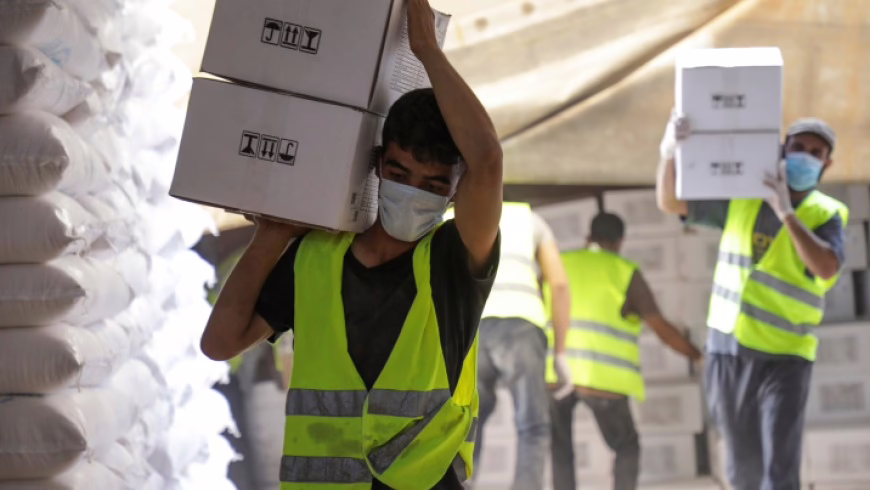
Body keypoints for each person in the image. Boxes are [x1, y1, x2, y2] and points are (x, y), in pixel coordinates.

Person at [199, 0, 504, 487]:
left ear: (454, 191)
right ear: (378, 165)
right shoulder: (316, 259)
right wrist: (273, 235)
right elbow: (219, 343)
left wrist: (426, 51)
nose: (412, 192)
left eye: (432, 185)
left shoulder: (453, 264)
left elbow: (486, 158)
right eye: (400, 173)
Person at [657, 114, 848, 490]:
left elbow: (826, 266)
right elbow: (671, 201)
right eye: (798, 147)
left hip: (786, 356)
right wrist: (669, 152)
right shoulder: (742, 197)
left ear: (827, 164)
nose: (805, 157)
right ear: (782, 149)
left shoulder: (827, 214)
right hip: (729, 351)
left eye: (816, 153)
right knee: (743, 467)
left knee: (779, 468)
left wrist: (787, 214)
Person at [548, 212, 702, 490]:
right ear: (620, 241)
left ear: (588, 237)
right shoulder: (624, 271)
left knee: (560, 448)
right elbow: (660, 327)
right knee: (626, 446)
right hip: (601, 380)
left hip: (555, 375)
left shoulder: (560, 263)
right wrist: (696, 354)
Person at [468, 202, 572, 490]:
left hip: (473, 327)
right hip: (523, 326)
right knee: (532, 426)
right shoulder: (531, 219)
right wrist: (561, 353)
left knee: (466, 422)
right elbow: (559, 285)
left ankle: (459, 484)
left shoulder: (452, 214)